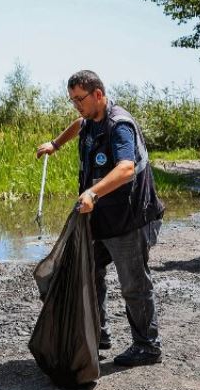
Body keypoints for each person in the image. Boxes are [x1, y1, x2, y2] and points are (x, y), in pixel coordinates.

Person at [36, 70, 165, 367]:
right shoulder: (90, 120)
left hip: (130, 219)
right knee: (89, 272)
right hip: (102, 218)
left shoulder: (119, 126)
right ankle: (98, 333)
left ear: (98, 94)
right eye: (72, 100)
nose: (76, 105)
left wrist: (92, 193)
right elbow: (77, 125)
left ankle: (147, 346)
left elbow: (125, 169)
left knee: (133, 284)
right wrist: (55, 145)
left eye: (79, 99)